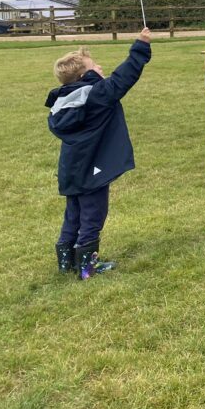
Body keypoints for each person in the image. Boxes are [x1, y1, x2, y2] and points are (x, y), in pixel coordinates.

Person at [46, 28, 152, 279]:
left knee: (74, 214)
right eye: (95, 65)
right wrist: (141, 45)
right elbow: (123, 77)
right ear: (85, 74)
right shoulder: (96, 95)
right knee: (93, 216)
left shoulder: (65, 99)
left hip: (72, 169)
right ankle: (87, 268)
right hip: (92, 170)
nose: (100, 67)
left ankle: (66, 264)